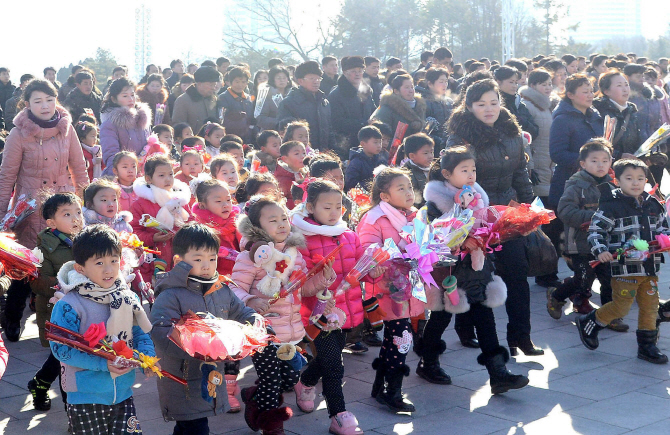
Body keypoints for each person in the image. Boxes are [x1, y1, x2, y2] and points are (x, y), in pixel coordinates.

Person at [422, 146, 529, 394]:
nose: (471, 175)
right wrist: (460, 240)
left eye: (473, 169)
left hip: (477, 268)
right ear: (447, 174)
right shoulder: (436, 202)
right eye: (464, 170)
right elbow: (433, 234)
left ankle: (498, 373)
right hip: (449, 270)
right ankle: (428, 361)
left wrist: (494, 235)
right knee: (441, 317)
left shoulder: (479, 197)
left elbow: (486, 225)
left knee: (485, 316)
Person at [447, 79, 541, 356]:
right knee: (475, 275)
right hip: (475, 217)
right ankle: (466, 329)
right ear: (469, 106)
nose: (489, 109)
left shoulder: (512, 131)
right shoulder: (460, 138)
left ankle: (521, 336)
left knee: (517, 274)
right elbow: (456, 179)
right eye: (481, 104)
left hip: (508, 214)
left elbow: (520, 173)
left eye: (494, 103)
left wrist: (528, 209)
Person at [230, 197, 335, 434]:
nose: (281, 224)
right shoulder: (251, 257)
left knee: (289, 379)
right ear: (256, 227)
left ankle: (251, 395)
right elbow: (233, 287)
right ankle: (272, 426)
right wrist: (251, 300)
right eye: (273, 220)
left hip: (291, 330)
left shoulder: (294, 253)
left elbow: (303, 288)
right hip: (263, 331)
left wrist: (323, 279)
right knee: (271, 381)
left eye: (284, 219)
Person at [0, 79, 89, 342]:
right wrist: (3, 216)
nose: (45, 106)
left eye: (50, 99)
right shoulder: (19, 133)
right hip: (30, 210)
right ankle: (12, 317)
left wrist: (84, 205)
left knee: (63, 264)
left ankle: (61, 324)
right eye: (38, 101)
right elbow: (7, 177)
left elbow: (79, 168)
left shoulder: (66, 128)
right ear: (27, 104)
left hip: (62, 207)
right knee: (26, 267)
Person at [150, 223, 259, 433]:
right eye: (198, 259)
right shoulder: (170, 294)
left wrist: (256, 324)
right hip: (182, 376)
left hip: (209, 372)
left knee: (191, 426)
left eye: (212, 258)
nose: (207, 265)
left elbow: (241, 311)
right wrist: (197, 348)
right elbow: (161, 332)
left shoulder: (221, 289)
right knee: (194, 425)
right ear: (178, 261)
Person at [49, 225, 155, 434]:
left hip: (123, 392)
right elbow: (62, 350)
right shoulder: (70, 304)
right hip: (86, 396)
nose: (109, 269)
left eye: (114, 261)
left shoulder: (126, 297)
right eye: (99, 263)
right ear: (80, 268)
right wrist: (104, 364)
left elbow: (140, 333)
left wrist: (147, 359)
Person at [291, 180, 366, 434]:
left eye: (339, 206)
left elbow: (358, 269)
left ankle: (306, 382)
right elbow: (298, 280)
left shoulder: (349, 235)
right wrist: (320, 281)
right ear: (310, 207)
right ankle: (338, 414)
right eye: (327, 207)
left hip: (345, 311)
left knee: (328, 359)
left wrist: (374, 269)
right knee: (335, 363)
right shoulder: (301, 238)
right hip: (316, 313)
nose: (335, 212)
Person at [577, 159, 669, 364]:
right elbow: (596, 231)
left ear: (646, 180)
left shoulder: (654, 204)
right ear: (617, 181)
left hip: (650, 267)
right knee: (622, 307)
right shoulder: (611, 206)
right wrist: (600, 251)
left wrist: (666, 240)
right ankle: (591, 321)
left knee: (650, 307)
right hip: (625, 269)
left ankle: (647, 346)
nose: (635, 183)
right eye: (629, 178)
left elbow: (663, 228)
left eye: (640, 178)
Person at [357, 167, 423, 413]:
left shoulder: (414, 215)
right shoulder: (375, 218)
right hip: (386, 288)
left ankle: (381, 385)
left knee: (394, 338)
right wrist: (394, 255)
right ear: (384, 196)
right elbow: (366, 248)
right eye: (401, 188)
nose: (408, 192)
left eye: (409, 186)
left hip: (409, 286)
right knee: (401, 338)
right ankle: (392, 391)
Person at [548, 139, 627, 330]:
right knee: (583, 279)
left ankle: (610, 315)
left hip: (606, 244)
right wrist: (596, 216)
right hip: (580, 243)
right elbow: (565, 210)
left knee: (609, 280)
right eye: (594, 161)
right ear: (583, 164)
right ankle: (557, 296)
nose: (600, 165)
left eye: (604, 160)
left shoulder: (614, 185)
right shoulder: (576, 185)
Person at [27, 193, 83, 412]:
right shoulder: (43, 248)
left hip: (83, 309)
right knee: (66, 361)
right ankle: (72, 412)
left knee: (64, 355)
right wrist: (70, 281)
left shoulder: (86, 239)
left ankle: (39, 383)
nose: (76, 218)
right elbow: (37, 284)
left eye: (78, 212)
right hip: (56, 311)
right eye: (67, 214)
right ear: (52, 223)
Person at [131, 155, 191, 281]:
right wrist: (152, 238)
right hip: (152, 260)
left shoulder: (179, 200)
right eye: (161, 176)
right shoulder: (140, 204)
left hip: (179, 255)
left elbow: (191, 223)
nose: (168, 179)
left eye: (170, 174)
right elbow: (133, 232)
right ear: (148, 179)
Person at [520, 68, 559, 201]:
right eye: (543, 85)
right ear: (532, 86)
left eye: (549, 84)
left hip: (550, 163)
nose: (548, 88)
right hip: (537, 163)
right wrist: (530, 165)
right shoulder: (527, 106)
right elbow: (525, 140)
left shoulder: (552, 105)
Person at [277, 61, 334, 152]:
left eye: (318, 79)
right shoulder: (289, 103)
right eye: (312, 78)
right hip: (300, 155)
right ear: (300, 81)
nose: (316, 82)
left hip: (322, 153)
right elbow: (285, 134)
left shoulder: (324, 102)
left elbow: (329, 129)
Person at [99, 78, 151, 176]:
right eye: (125, 96)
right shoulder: (109, 125)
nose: (131, 99)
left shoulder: (142, 119)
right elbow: (111, 157)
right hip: (123, 177)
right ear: (114, 99)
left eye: (132, 95)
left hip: (144, 177)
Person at [328, 56, 377, 160]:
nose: (358, 74)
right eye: (353, 71)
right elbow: (336, 121)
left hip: (367, 142)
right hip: (345, 145)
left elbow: (373, 110)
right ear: (345, 73)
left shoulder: (366, 90)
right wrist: (364, 124)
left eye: (360, 70)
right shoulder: (336, 94)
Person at [592, 70, 645, 159]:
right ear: (606, 91)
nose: (625, 89)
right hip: (606, 166)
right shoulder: (598, 112)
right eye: (619, 85)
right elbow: (596, 145)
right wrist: (619, 156)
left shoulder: (631, 111)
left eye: (626, 85)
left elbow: (636, 141)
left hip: (628, 167)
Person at [494, 66, 539, 140]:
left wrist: (521, 121)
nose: (514, 86)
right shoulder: (495, 104)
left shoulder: (519, 103)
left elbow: (535, 131)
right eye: (511, 82)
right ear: (498, 82)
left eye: (516, 82)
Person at [172, 66, 221, 133]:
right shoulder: (183, 101)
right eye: (210, 85)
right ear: (200, 84)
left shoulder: (214, 99)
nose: (213, 88)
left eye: (214, 85)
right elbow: (178, 127)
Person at [416, 67, 454, 150]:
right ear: (430, 84)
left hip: (450, 145)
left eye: (446, 81)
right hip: (433, 147)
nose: (445, 85)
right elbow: (424, 130)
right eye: (441, 82)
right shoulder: (423, 102)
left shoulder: (449, 102)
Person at [217, 67, 255, 143]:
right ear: (230, 82)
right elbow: (222, 119)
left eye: (243, 82)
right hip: (231, 137)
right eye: (237, 82)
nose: (240, 85)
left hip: (248, 137)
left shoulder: (249, 98)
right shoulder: (223, 98)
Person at [344, 125, 385, 192]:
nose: (379, 145)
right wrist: (373, 185)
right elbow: (351, 183)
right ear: (363, 144)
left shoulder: (381, 159)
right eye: (375, 142)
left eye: (380, 142)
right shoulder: (356, 162)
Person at [400, 133, 434, 208]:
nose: (430, 156)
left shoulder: (434, 169)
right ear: (412, 156)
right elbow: (414, 200)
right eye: (426, 153)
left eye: (431, 152)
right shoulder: (406, 174)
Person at [256, 66, 294, 131]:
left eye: (284, 78)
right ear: (272, 80)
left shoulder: (293, 94)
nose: (282, 80)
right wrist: (281, 122)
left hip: (291, 132)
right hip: (271, 133)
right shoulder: (265, 94)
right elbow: (259, 118)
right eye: (278, 78)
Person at [275, 140, 308, 209]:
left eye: (304, 153)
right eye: (297, 154)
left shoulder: (306, 174)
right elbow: (281, 201)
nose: (302, 156)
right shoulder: (282, 178)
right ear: (285, 159)